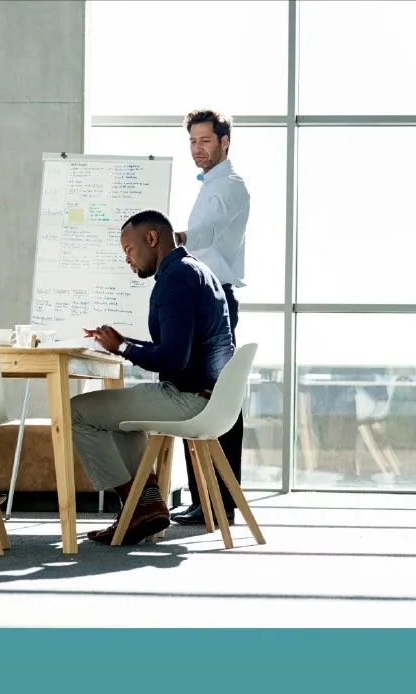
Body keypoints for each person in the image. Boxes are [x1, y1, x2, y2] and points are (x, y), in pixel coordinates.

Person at [73, 210, 234, 545]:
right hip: (208, 398)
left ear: (151, 239)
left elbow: (174, 358)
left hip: (186, 400)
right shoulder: (198, 271)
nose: (128, 261)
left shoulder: (174, 280)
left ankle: (137, 502)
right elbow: (178, 348)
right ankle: (144, 502)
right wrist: (122, 344)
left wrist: (123, 347)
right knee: (116, 414)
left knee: (76, 411)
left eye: (130, 250)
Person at [170, 108, 250, 527]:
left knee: (217, 399)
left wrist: (175, 238)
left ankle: (221, 499)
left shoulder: (230, 186)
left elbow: (211, 231)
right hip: (200, 301)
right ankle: (205, 497)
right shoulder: (209, 185)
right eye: (192, 141)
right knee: (192, 396)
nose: (197, 149)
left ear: (224, 142)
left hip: (215, 303)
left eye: (205, 141)